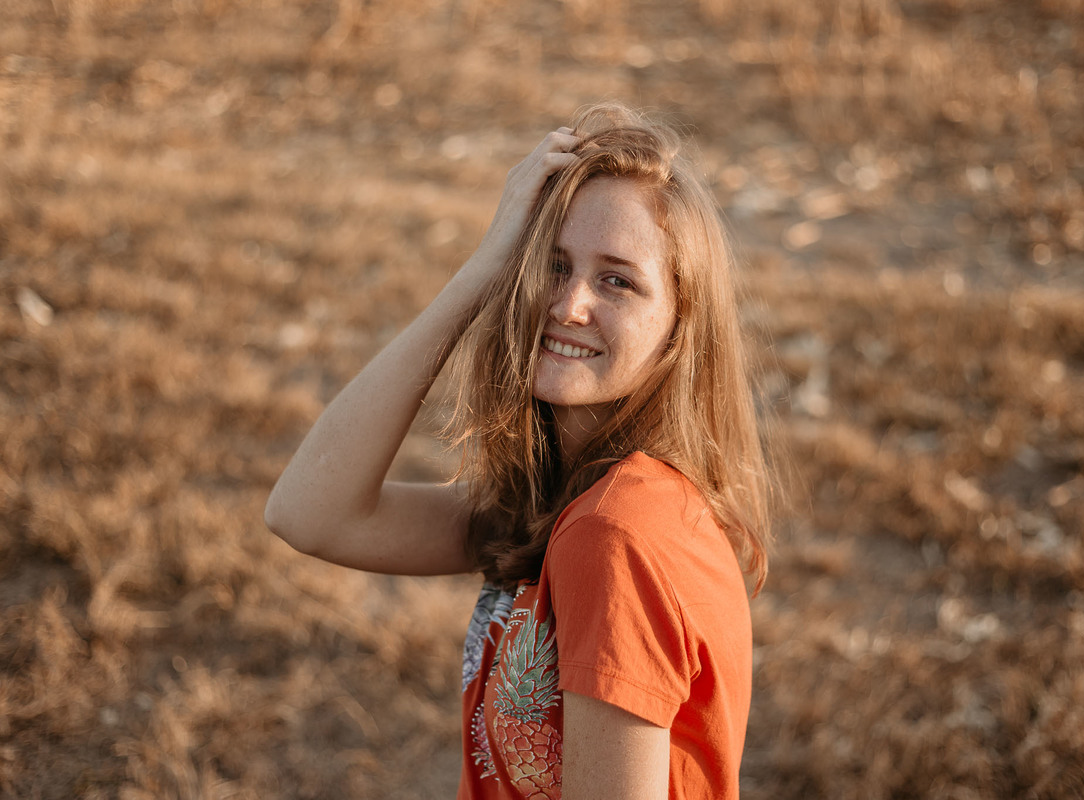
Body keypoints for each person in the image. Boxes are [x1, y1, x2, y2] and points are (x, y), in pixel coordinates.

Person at [264, 102, 773, 800]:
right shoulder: (562, 500)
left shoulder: (616, 534)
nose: (567, 305)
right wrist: (484, 268)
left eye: (617, 280)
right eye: (552, 267)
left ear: (681, 327)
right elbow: (309, 512)